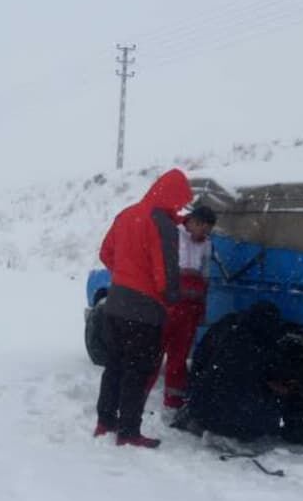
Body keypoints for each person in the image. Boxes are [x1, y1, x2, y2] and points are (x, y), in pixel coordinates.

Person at [95, 168, 194, 448]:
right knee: (136, 371)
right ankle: (128, 432)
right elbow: (166, 273)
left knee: (114, 366)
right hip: (144, 312)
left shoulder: (127, 214)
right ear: (174, 196)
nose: (180, 207)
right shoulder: (161, 223)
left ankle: (105, 422)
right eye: (181, 200)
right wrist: (173, 299)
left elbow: (105, 253)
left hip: (115, 305)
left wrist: (126, 276)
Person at [179, 301, 289, 441]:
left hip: (201, 411)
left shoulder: (226, 327)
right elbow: (277, 384)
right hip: (241, 426)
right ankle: (230, 429)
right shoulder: (269, 345)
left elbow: (199, 359)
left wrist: (192, 395)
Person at [150, 204, 217, 409]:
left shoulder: (207, 244)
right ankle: (137, 395)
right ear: (193, 222)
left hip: (189, 312)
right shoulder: (172, 235)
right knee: (153, 353)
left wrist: (200, 309)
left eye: (208, 231)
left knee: (179, 359)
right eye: (203, 229)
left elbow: (205, 277)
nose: (205, 234)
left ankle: (174, 400)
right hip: (167, 308)